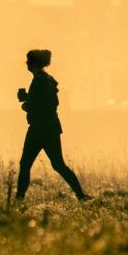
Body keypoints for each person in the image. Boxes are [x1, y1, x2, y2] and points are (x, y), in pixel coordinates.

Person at [16, 49, 90, 201]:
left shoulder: (39, 81)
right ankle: (81, 195)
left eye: (28, 61)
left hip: (38, 129)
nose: (26, 64)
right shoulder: (47, 79)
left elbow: (36, 105)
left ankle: (18, 199)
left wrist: (25, 103)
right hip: (50, 128)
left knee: (25, 164)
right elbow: (49, 102)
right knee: (58, 164)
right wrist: (28, 98)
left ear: (34, 63)